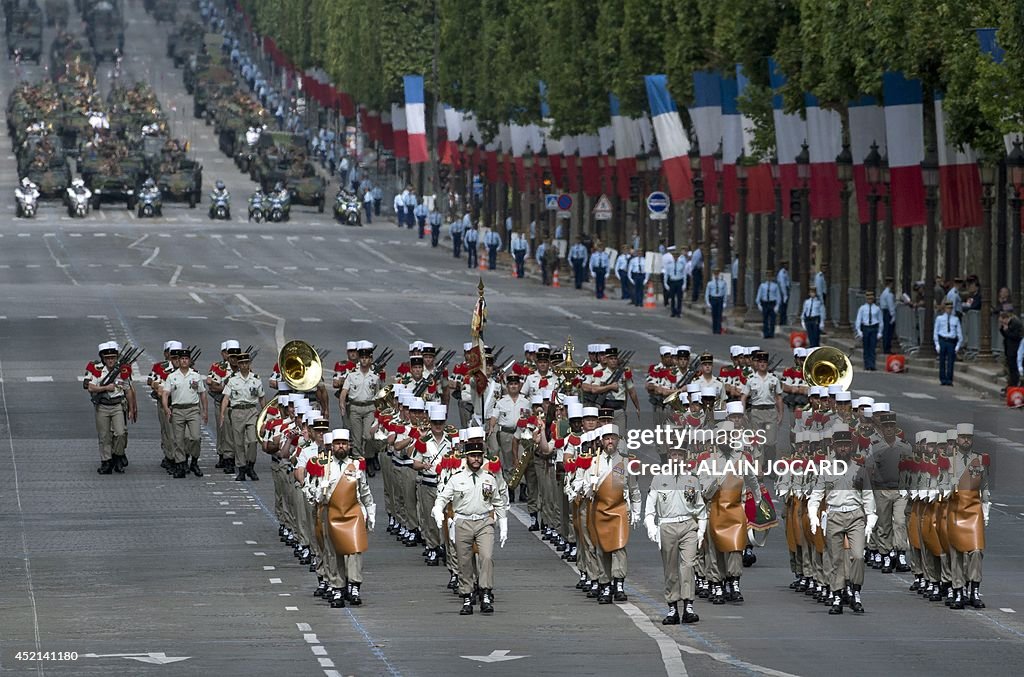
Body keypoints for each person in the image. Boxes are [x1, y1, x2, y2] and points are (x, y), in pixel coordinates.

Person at [432, 438, 508, 615]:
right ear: (466, 457)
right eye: (473, 456)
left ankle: (486, 593)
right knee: (464, 561)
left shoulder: (489, 478)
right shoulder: (456, 479)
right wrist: (437, 510)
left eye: (479, 456)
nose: (476, 459)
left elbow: (498, 502)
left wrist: (503, 524)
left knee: (486, 557)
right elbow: (443, 497)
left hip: (484, 522)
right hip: (463, 522)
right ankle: (467, 595)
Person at [807, 425, 876, 614]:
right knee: (835, 558)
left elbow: (868, 495)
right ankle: (837, 595)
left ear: (851, 447)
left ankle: (855, 591)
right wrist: (813, 516)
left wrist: (870, 518)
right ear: (834, 447)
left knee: (858, 556)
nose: (843, 449)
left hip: (855, 515)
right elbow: (816, 495)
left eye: (846, 445)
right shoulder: (826, 470)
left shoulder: (859, 470)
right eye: (840, 445)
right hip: (834, 515)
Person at [645, 444, 706, 624]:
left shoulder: (692, 480)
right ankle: (672, 607)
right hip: (667, 526)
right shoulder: (658, 478)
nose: (677, 458)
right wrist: (652, 528)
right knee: (670, 568)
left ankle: (688, 606)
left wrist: (701, 530)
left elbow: (700, 507)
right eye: (673, 454)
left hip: (688, 524)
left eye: (680, 455)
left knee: (688, 565)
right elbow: (650, 507)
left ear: (685, 457)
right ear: (668, 456)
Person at [584, 424, 641, 604]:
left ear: (618, 441)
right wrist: (590, 486)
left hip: (619, 511)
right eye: (607, 438)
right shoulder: (594, 462)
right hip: (600, 511)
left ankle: (619, 583)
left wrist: (637, 512)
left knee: (619, 547)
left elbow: (634, 489)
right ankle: (605, 583)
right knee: (601, 549)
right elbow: (586, 491)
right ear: (602, 441)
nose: (610, 441)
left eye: (613, 438)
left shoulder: (625, 463)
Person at [946, 423, 990, 609]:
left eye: (969, 437)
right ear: (957, 439)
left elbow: (985, 488)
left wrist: (986, 512)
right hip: (955, 509)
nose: (966, 440)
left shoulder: (979, 461)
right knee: (956, 553)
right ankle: (958, 590)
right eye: (963, 437)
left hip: (974, 510)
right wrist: (949, 485)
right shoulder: (948, 460)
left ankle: (974, 589)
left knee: (976, 551)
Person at [85, 342, 137, 475]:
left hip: (117, 405)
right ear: (103, 358)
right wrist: (105, 388)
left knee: (120, 433)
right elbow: (90, 387)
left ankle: (118, 455)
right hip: (102, 406)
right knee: (104, 436)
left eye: (113, 358)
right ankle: (106, 462)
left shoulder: (122, 371)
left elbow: (128, 390)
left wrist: (131, 408)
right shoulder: (97, 370)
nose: (110, 360)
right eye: (107, 358)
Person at [161, 347, 208, 479]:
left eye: (186, 359)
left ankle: (194, 461)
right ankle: (180, 465)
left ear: (190, 360)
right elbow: (165, 393)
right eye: (182, 359)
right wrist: (166, 408)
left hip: (193, 409)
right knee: (178, 440)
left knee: (195, 437)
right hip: (178, 410)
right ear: (178, 361)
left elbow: (202, 393)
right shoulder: (172, 376)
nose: (184, 361)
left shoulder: (195, 375)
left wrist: (205, 411)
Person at [221, 352, 265, 481]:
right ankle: (241, 468)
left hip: (251, 410)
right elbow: (226, 398)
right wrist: (222, 414)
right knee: (238, 442)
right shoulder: (233, 380)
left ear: (250, 364)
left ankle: (250, 465)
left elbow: (261, 398)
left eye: (246, 363)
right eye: (242, 363)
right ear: (239, 365)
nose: (244, 365)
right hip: (237, 412)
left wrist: (265, 414)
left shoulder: (255, 379)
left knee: (252, 440)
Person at [933, 300, 963, 386]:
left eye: (950, 308)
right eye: (947, 308)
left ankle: (949, 379)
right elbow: (936, 332)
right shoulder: (939, 319)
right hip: (942, 340)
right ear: (945, 309)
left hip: (951, 341)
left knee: (951, 361)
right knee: (942, 360)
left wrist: (957, 346)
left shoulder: (955, 319)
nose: (949, 310)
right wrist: (937, 344)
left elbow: (959, 333)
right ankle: (942, 379)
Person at [854, 291, 883, 371]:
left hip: (873, 328)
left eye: (871, 298)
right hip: (866, 328)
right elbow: (858, 320)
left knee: (872, 347)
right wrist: (859, 331)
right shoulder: (862, 308)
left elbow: (880, 321)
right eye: (868, 298)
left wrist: (880, 332)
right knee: (866, 347)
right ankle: (866, 364)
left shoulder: (877, 309)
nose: (870, 300)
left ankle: (872, 364)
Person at [755, 270, 782, 339]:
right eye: (768, 276)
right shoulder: (762, 285)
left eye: (770, 276)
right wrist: (759, 304)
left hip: (772, 303)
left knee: (772, 319)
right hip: (765, 303)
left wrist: (777, 305)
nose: (769, 278)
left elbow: (778, 296)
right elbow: (759, 295)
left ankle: (771, 333)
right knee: (765, 319)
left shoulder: (775, 286)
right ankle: (766, 333)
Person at [1000, 312, 1023, 388]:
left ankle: (1014, 384)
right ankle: (1011, 384)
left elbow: (1014, 336)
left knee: (1014, 369)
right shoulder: (1009, 324)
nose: (1002, 323)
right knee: (1011, 369)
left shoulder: (1015, 323)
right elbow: (1006, 335)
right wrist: (1003, 329)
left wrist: (1006, 330)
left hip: (1014, 349)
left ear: (1006, 318)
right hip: (1010, 349)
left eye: (1002, 321)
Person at [664, 249, 687, 318]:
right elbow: (666, 275)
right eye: (674, 256)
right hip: (672, 281)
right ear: (672, 257)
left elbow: (684, 274)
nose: (675, 257)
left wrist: (684, 284)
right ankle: (673, 311)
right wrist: (665, 284)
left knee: (679, 298)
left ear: (678, 257)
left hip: (679, 281)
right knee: (672, 297)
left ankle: (679, 312)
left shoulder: (681, 264)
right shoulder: (669, 265)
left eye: (677, 256)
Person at [705, 268, 728, 334]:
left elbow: (725, 293)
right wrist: (708, 302)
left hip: (720, 299)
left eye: (717, 274)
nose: (716, 275)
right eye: (715, 274)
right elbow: (707, 293)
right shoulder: (710, 283)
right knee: (714, 315)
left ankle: (718, 329)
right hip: (713, 299)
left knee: (719, 315)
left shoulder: (723, 282)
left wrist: (724, 302)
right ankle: (714, 329)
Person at [879, 277, 897, 354]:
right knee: (888, 331)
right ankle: (887, 348)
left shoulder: (883, 293)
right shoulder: (889, 294)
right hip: (888, 313)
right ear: (891, 284)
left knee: (886, 330)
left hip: (884, 311)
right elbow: (891, 305)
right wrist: (893, 315)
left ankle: (886, 347)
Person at [776, 261, 791, 326]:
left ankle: (783, 320)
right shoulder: (782, 273)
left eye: (787, 264)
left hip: (785, 290)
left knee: (784, 307)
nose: (787, 266)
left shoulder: (786, 272)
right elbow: (783, 285)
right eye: (786, 264)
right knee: (782, 307)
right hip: (783, 291)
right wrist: (785, 295)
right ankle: (782, 321)